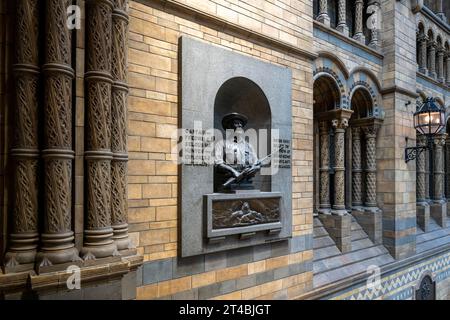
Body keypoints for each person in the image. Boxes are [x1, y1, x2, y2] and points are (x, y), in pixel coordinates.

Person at [214, 113, 260, 190]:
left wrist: (255, 168)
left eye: (241, 124)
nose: (240, 125)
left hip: (247, 182)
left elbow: (256, 162)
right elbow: (218, 164)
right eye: (236, 123)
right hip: (230, 181)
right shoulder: (221, 144)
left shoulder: (248, 146)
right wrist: (234, 172)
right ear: (229, 127)